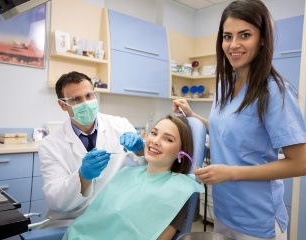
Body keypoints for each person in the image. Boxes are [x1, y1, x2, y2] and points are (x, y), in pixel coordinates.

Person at [172, 1, 306, 239]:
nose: (233, 45)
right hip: (225, 212)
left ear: (262, 39)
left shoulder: (274, 91)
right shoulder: (225, 85)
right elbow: (228, 129)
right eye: (227, 36)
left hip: (256, 218)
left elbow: (299, 164)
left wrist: (230, 173)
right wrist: (193, 117)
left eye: (245, 35)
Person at [62, 114, 204, 240]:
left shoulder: (178, 190)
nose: (155, 141)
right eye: (154, 133)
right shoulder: (126, 173)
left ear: (182, 152)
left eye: (168, 139)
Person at [38, 71, 145, 227]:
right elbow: (56, 200)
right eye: (76, 99)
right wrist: (83, 176)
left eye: (89, 96)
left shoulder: (120, 125)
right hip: (71, 220)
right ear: (63, 105)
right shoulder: (50, 145)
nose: (85, 103)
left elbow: (150, 163)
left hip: (111, 213)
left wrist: (140, 149)